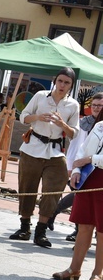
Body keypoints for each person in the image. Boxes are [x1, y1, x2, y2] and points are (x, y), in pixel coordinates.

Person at [9, 67, 79, 248]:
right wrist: (38, 117)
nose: (62, 85)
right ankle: (24, 227)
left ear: (71, 85)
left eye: (67, 82)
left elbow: (74, 133)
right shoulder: (40, 95)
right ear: (55, 80)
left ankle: (41, 231)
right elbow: (23, 117)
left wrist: (62, 124)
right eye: (60, 81)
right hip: (33, 147)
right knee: (27, 186)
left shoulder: (73, 105)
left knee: (53, 189)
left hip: (55, 151)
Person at [52, 105, 103, 280]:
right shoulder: (99, 126)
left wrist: (91, 160)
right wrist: (76, 170)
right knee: (84, 226)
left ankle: (98, 273)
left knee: (102, 231)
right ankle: (74, 269)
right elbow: (82, 150)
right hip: (88, 178)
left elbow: (87, 157)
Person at [48, 93, 103, 241]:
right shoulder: (85, 123)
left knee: (81, 198)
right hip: (82, 167)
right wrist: (73, 167)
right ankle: (78, 231)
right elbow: (77, 147)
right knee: (80, 198)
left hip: (96, 167)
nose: (97, 108)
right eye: (95, 105)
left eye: (100, 105)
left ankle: (57, 216)